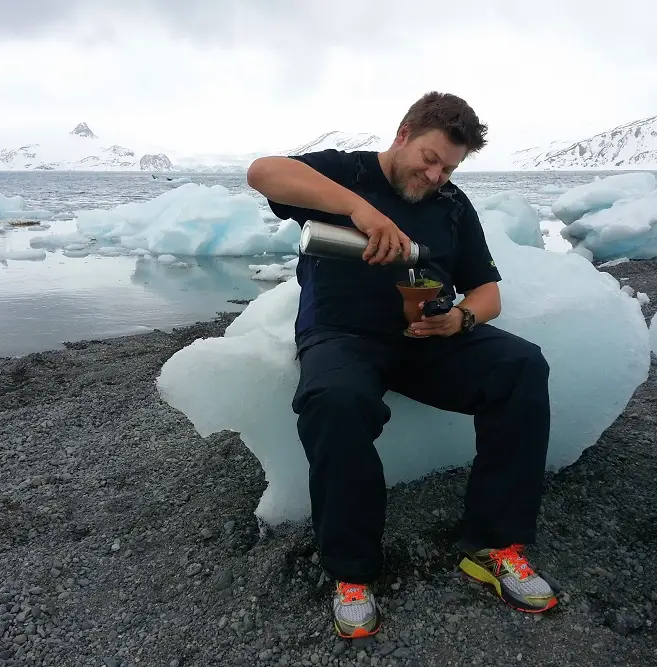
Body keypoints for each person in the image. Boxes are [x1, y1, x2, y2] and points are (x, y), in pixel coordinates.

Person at [246, 91, 557, 639]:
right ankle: (352, 573)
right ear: (404, 134)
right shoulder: (345, 173)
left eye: (450, 167)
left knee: (521, 365)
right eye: (430, 159)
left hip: (427, 337)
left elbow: (487, 292)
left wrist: (459, 320)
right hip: (342, 336)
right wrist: (358, 208)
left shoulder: (453, 206)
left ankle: (495, 545)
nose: (437, 175)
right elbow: (263, 172)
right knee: (336, 403)